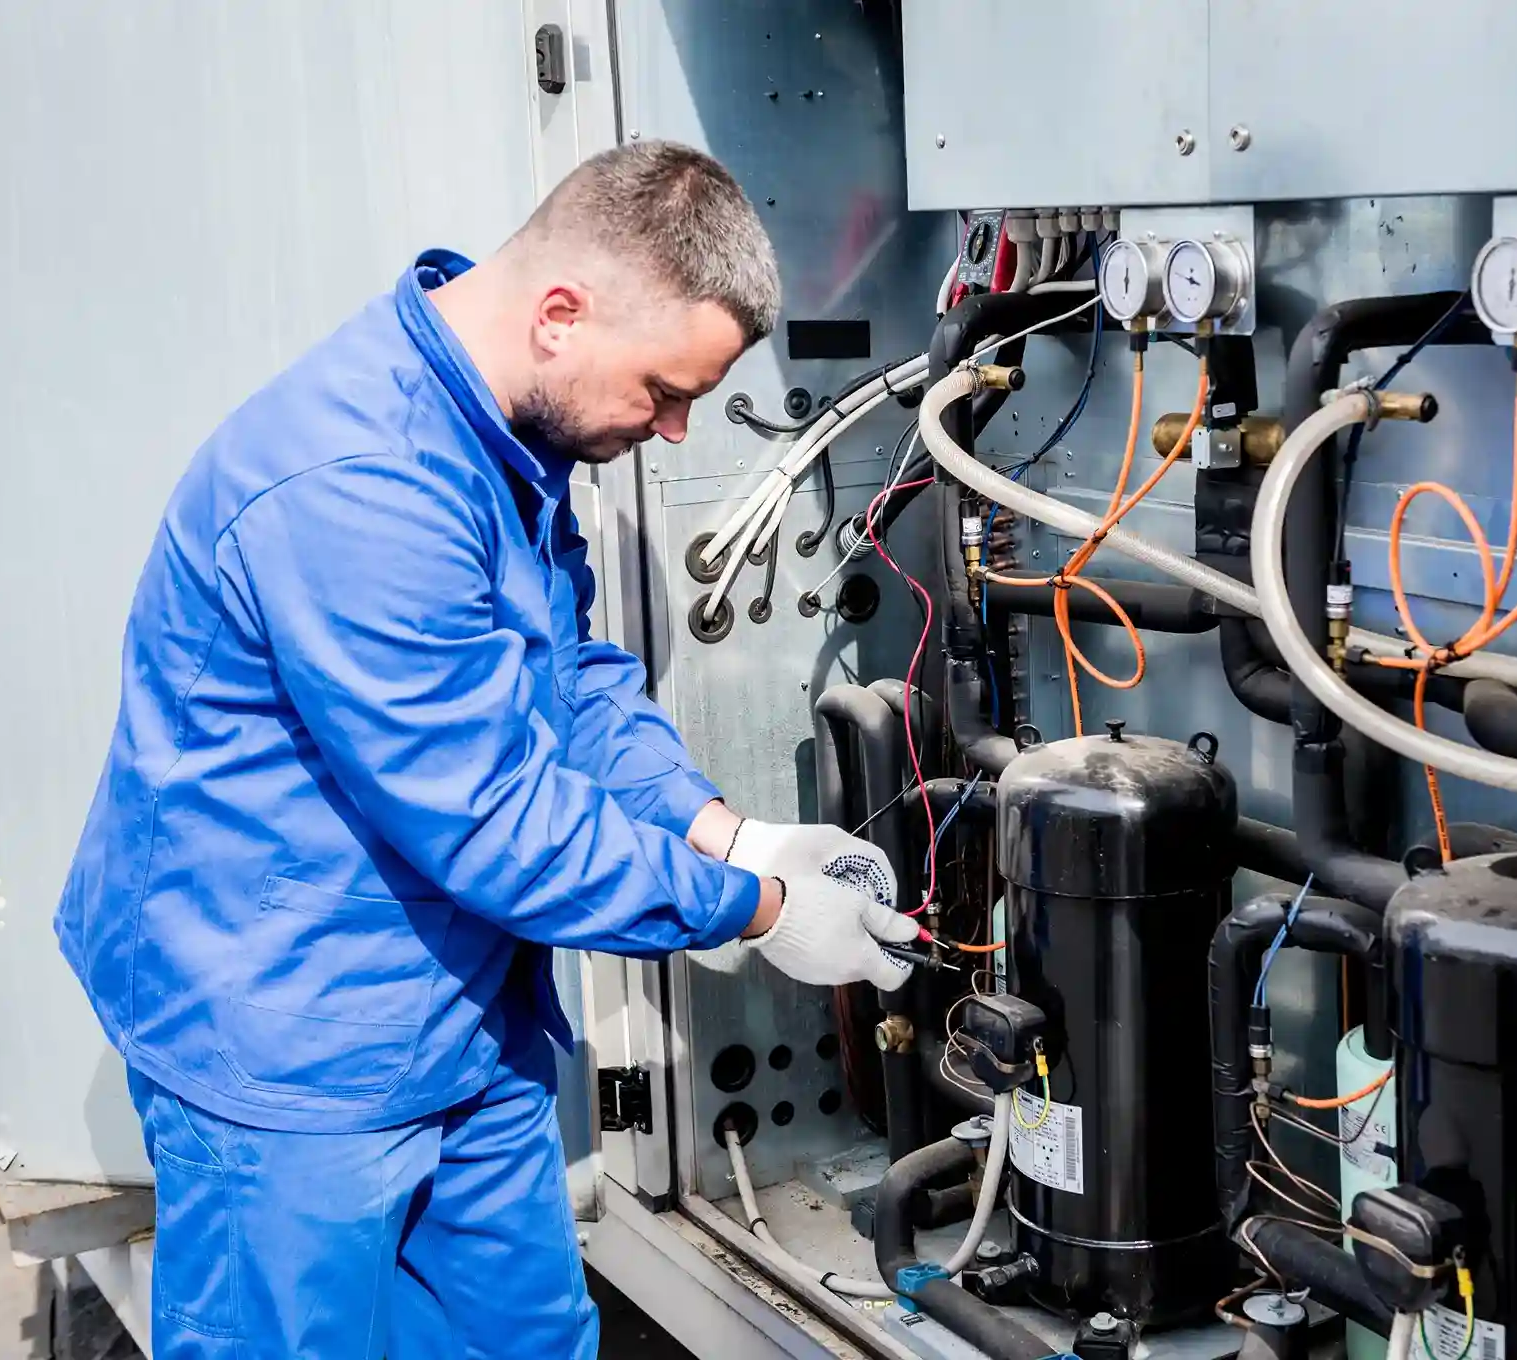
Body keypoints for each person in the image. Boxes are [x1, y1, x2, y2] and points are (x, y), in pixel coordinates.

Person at [54, 141, 916, 1359]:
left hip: (456, 1020)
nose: (674, 433)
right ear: (562, 314)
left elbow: (566, 686)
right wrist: (756, 909)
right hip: (290, 1043)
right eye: (665, 390)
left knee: (531, 1338)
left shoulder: (502, 440)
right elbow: (498, 821)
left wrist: (733, 831)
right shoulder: (360, 484)